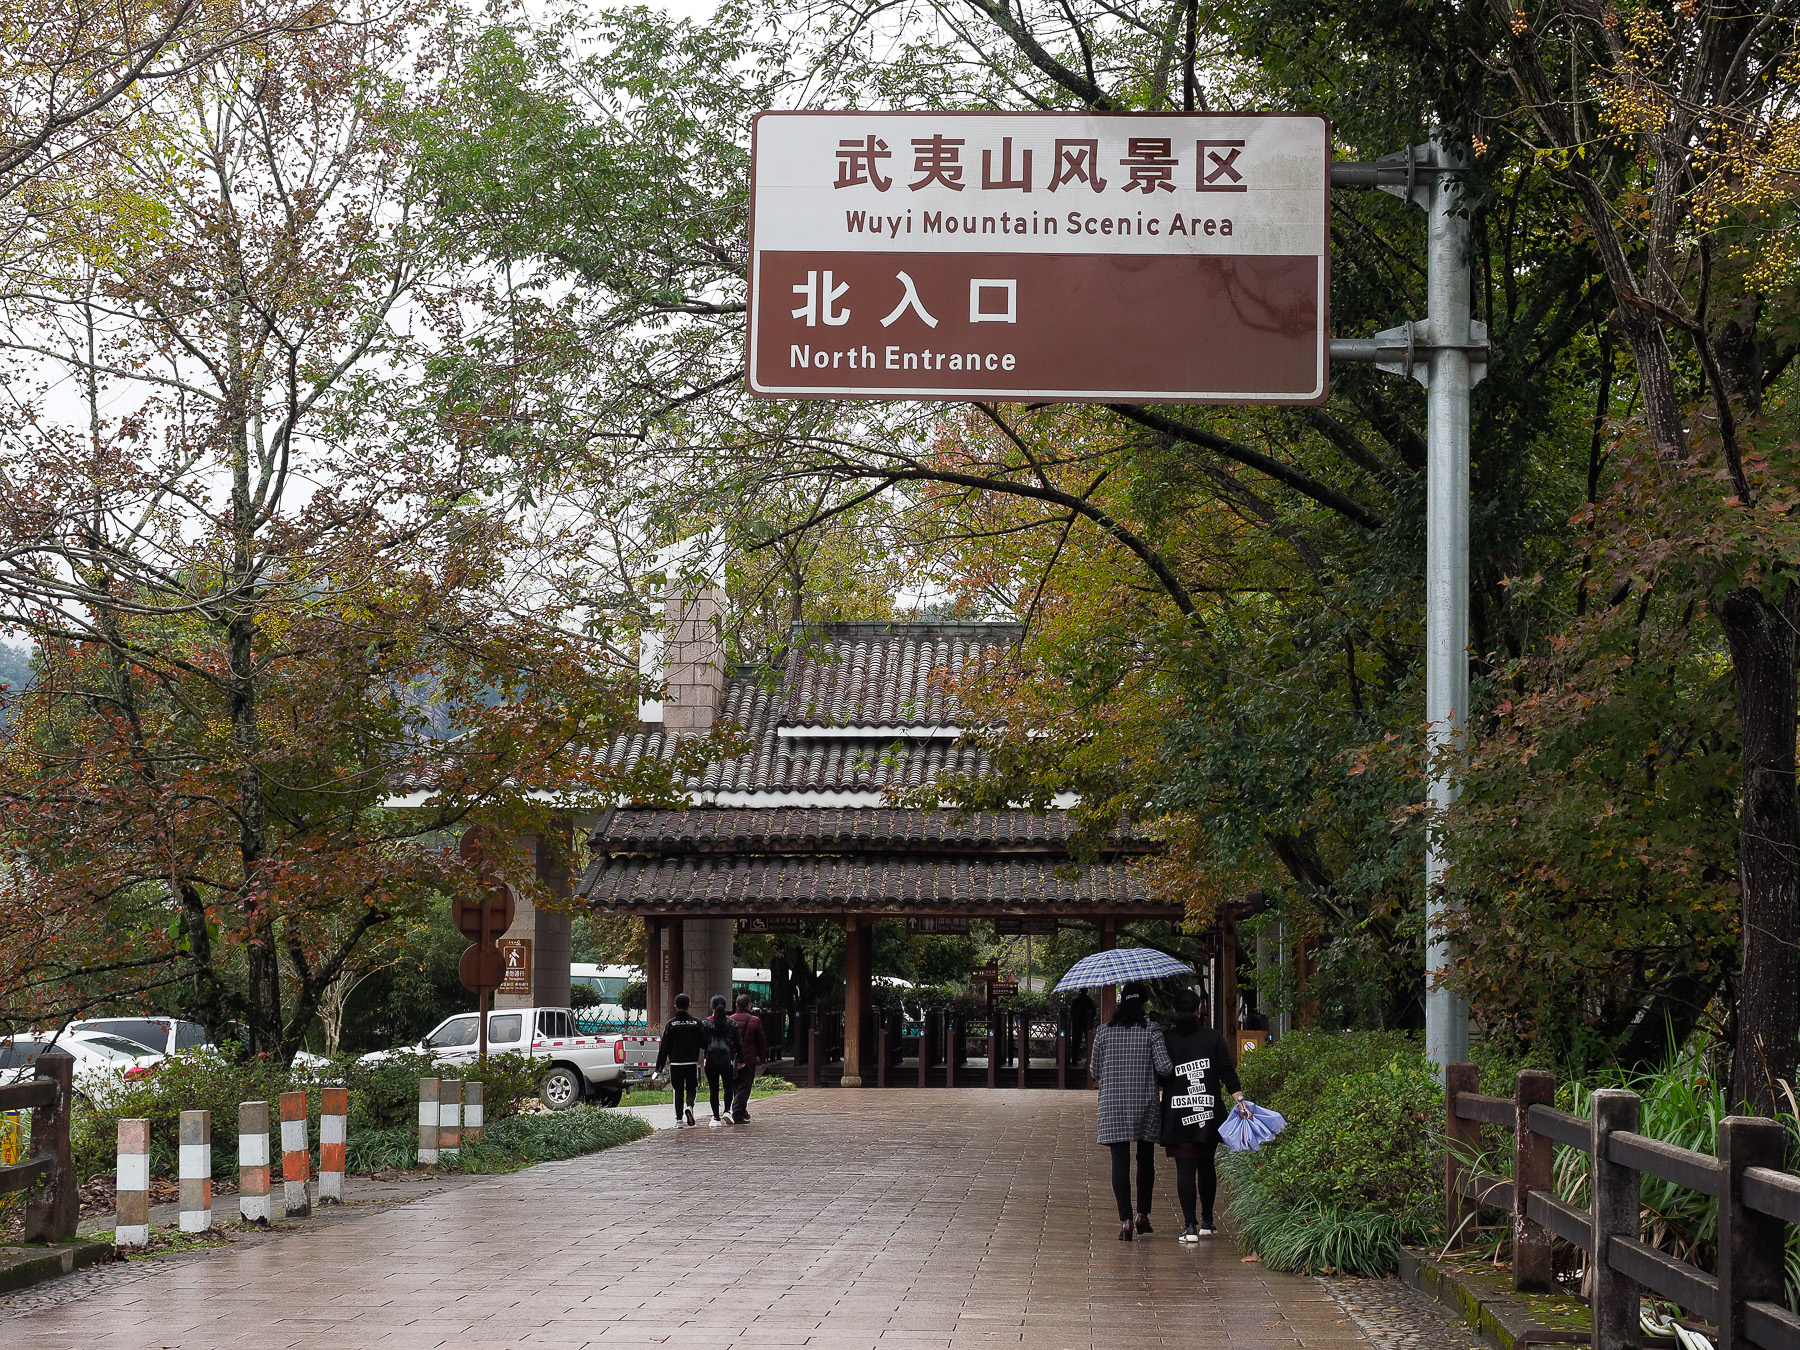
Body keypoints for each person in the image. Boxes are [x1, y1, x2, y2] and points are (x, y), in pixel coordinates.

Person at [1087, 981, 1172, 1241]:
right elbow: (1165, 1067)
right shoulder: (1151, 1030)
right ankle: (1142, 1215)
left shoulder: (1104, 1031)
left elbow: (1094, 1071)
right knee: (1145, 1160)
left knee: (1119, 1163)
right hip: (1144, 1103)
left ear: (1121, 1002)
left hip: (1112, 1105)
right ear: (1144, 1004)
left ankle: (1125, 1220)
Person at [1159, 988, 1245, 1242]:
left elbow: (1160, 1074)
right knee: (1206, 1164)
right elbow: (1227, 1071)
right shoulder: (1213, 1037)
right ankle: (1207, 1221)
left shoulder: (1166, 1039)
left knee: (1184, 1168)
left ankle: (1189, 1227)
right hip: (1208, 1112)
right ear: (1199, 1009)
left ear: (1174, 1010)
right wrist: (1240, 1101)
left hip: (1177, 1114)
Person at [654, 993, 704, 1127]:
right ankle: (689, 1107)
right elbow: (704, 1042)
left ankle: (679, 1120)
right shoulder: (696, 1023)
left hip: (675, 1063)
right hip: (691, 1062)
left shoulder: (671, 1024)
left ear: (675, 1006)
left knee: (678, 1090)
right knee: (692, 1087)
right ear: (689, 1005)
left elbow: (664, 1047)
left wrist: (658, 1067)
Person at [701, 995, 744, 1128]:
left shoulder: (706, 1023)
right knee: (728, 1087)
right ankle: (727, 1111)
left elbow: (702, 1042)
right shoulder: (732, 1023)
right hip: (727, 1060)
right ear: (726, 1006)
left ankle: (715, 1117)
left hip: (710, 1060)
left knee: (713, 1089)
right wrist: (741, 1059)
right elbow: (738, 1043)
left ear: (712, 1007)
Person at [728, 993, 768, 1123]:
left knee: (736, 1085)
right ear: (749, 1005)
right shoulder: (755, 1020)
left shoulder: (730, 1020)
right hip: (749, 1057)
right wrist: (761, 1056)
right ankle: (738, 1113)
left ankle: (741, 1110)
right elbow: (762, 1041)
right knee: (745, 1086)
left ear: (736, 1005)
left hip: (733, 1058)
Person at [1070, 989, 1097, 1066]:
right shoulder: (1089, 1000)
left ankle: (1074, 1058)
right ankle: (1089, 1059)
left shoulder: (1075, 1000)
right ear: (1087, 991)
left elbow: (1071, 1011)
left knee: (1076, 1040)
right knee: (1089, 1041)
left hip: (1077, 1023)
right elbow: (1094, 1012)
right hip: (1087, 1023)